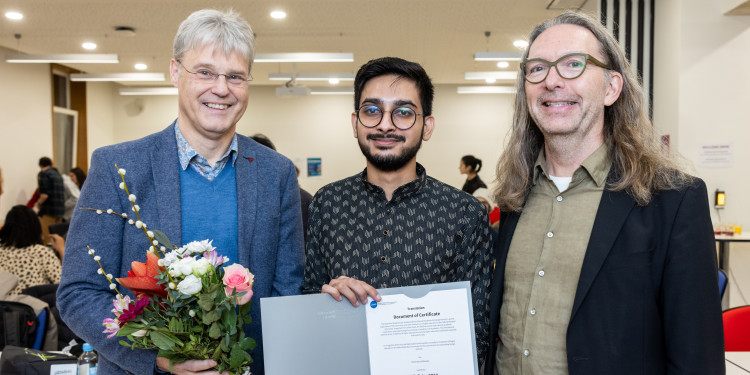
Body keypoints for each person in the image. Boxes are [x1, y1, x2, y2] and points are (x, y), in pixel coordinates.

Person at [57, 9, 304, 375]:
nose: (221, 88)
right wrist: (155, 357)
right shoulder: (117, 168)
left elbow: (288, 293)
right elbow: (79, 293)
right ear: (175, 71)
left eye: (235, 76)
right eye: (204, 72)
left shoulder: (276, 173)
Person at [486, 12, 724, 375]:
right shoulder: (515, 198)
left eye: (573, 65)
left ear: (612, 87)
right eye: (537, 69)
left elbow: (697, 358)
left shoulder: (673, 201)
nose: (551, 81)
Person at [302, 57, 494, 365]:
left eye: (404, 112)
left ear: (426, 126)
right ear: (355, 123)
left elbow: (478, 329)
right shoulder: (327, 203)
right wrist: (328, 299)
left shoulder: (465, 213)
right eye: (372, 110)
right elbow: (308, 305)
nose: (385, 124)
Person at [0, 205, 62, 295]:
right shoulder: (41, 252)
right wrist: (62, 249)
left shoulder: (1, 251)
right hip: (34, 305)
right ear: (35, 227)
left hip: (5, 306)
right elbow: (63, 283)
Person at [36, 157, 65, 244]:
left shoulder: (44, 174)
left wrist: (38, 204)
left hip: (48, 211)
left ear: (40, 165)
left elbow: (44, 195)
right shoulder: (58, 175)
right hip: (60, 211)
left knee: (48, 239)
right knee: (58, 239)